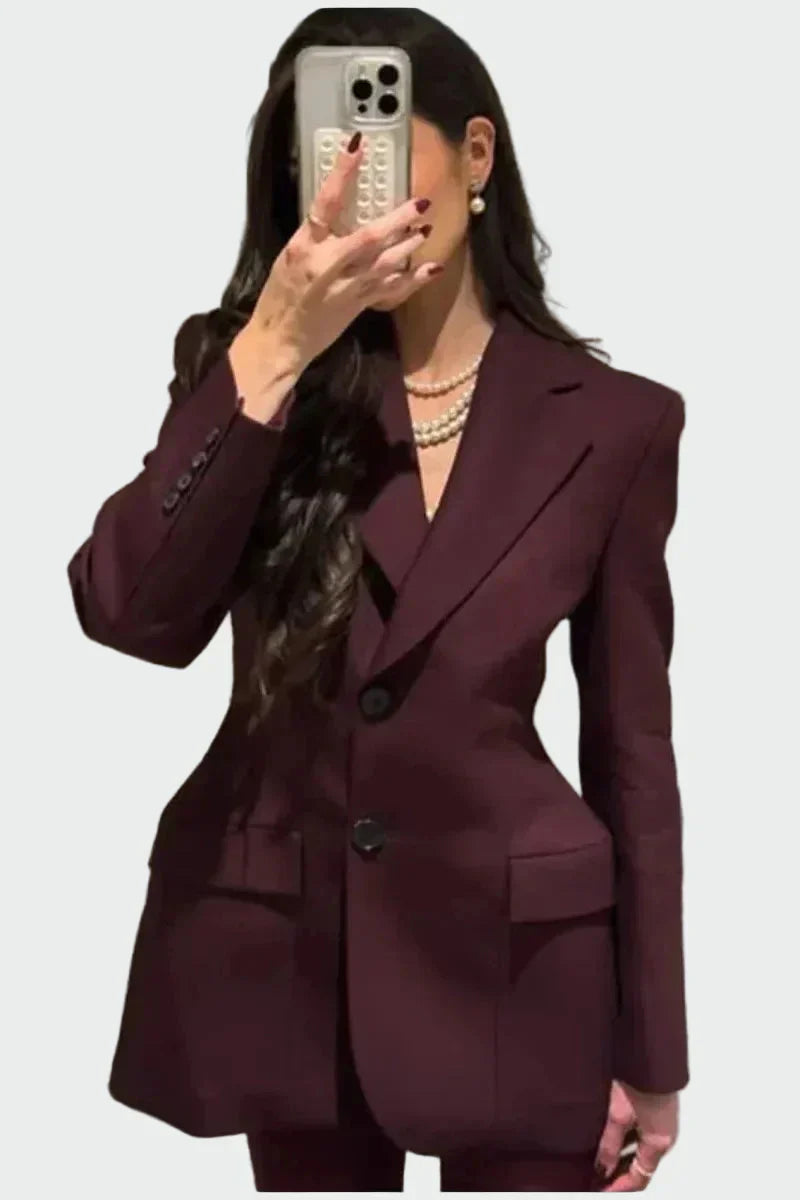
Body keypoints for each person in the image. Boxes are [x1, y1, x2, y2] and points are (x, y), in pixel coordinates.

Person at [66, 7, 689, 1193]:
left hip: (525, 969)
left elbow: (631, 751)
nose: (352, 187)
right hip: (290, 956)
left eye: (384, 148)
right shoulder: (247, 377)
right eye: (323, 156)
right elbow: (129, 612)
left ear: (476, 155)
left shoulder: (616, 424)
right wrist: (274, 345)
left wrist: (651, 1051)